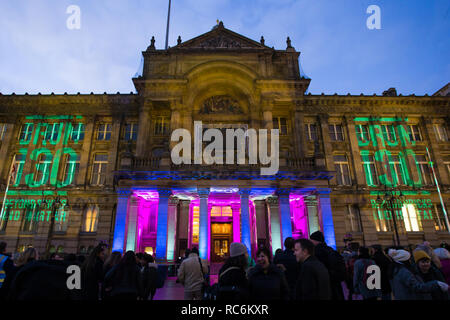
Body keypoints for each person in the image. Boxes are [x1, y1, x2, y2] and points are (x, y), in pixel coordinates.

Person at [309, 231, 346, 300]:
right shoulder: (331, 250)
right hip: (335, 284)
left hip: (323, 285)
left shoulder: (315, 252)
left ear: (314, 240)